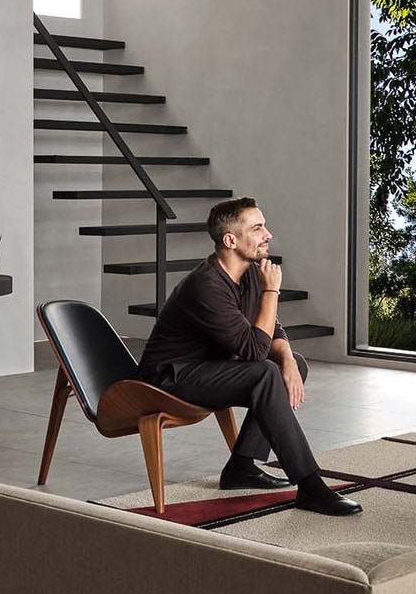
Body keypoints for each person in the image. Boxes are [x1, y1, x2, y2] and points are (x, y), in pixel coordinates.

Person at [136, 196, 360, 516]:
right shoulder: (207, 286)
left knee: (289, 362)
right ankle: (310, 486)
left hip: (207, 367)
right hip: (167, 378)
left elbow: (272, 331)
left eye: (264, 225)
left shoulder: (252, 273)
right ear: (230, 240)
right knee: (266, 372)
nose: (267, 234)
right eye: (257, 228)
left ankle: (241, 467)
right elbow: (255, 352)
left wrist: (288, 361)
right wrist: (273, 291)